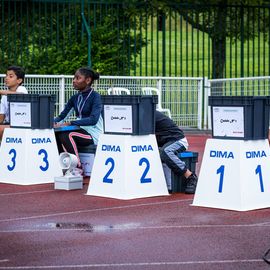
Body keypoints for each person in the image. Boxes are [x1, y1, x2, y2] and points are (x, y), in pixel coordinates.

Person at [54, 67, 103, 176]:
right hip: (80, 131)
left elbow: (93, 120)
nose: (74, 81)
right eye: (74, 78)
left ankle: (77, 168)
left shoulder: (96, 97)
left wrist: (72, 123)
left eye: (78, 78)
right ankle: (64, 165)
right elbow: (62, 116)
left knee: (68, 134)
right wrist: (48, 121)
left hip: (93, 134)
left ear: (88, 80)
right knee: (56, 133)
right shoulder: (74, 98)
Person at [155, 110, 198, 194]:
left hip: (178, 141)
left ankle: (190, 176)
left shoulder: (148, 114)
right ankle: (167, 185)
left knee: (166, 152)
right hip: (164, 143)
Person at [0, 66, 28, 140]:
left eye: (10, 76)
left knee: (1, 129)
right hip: (8, 124)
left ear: (19, 80)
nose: (6, 78)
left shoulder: (22, 89)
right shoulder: (4, 97)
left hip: (22, 124)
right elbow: (1, 118)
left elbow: (20, 95)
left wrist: (1, 91)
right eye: (6, 75)